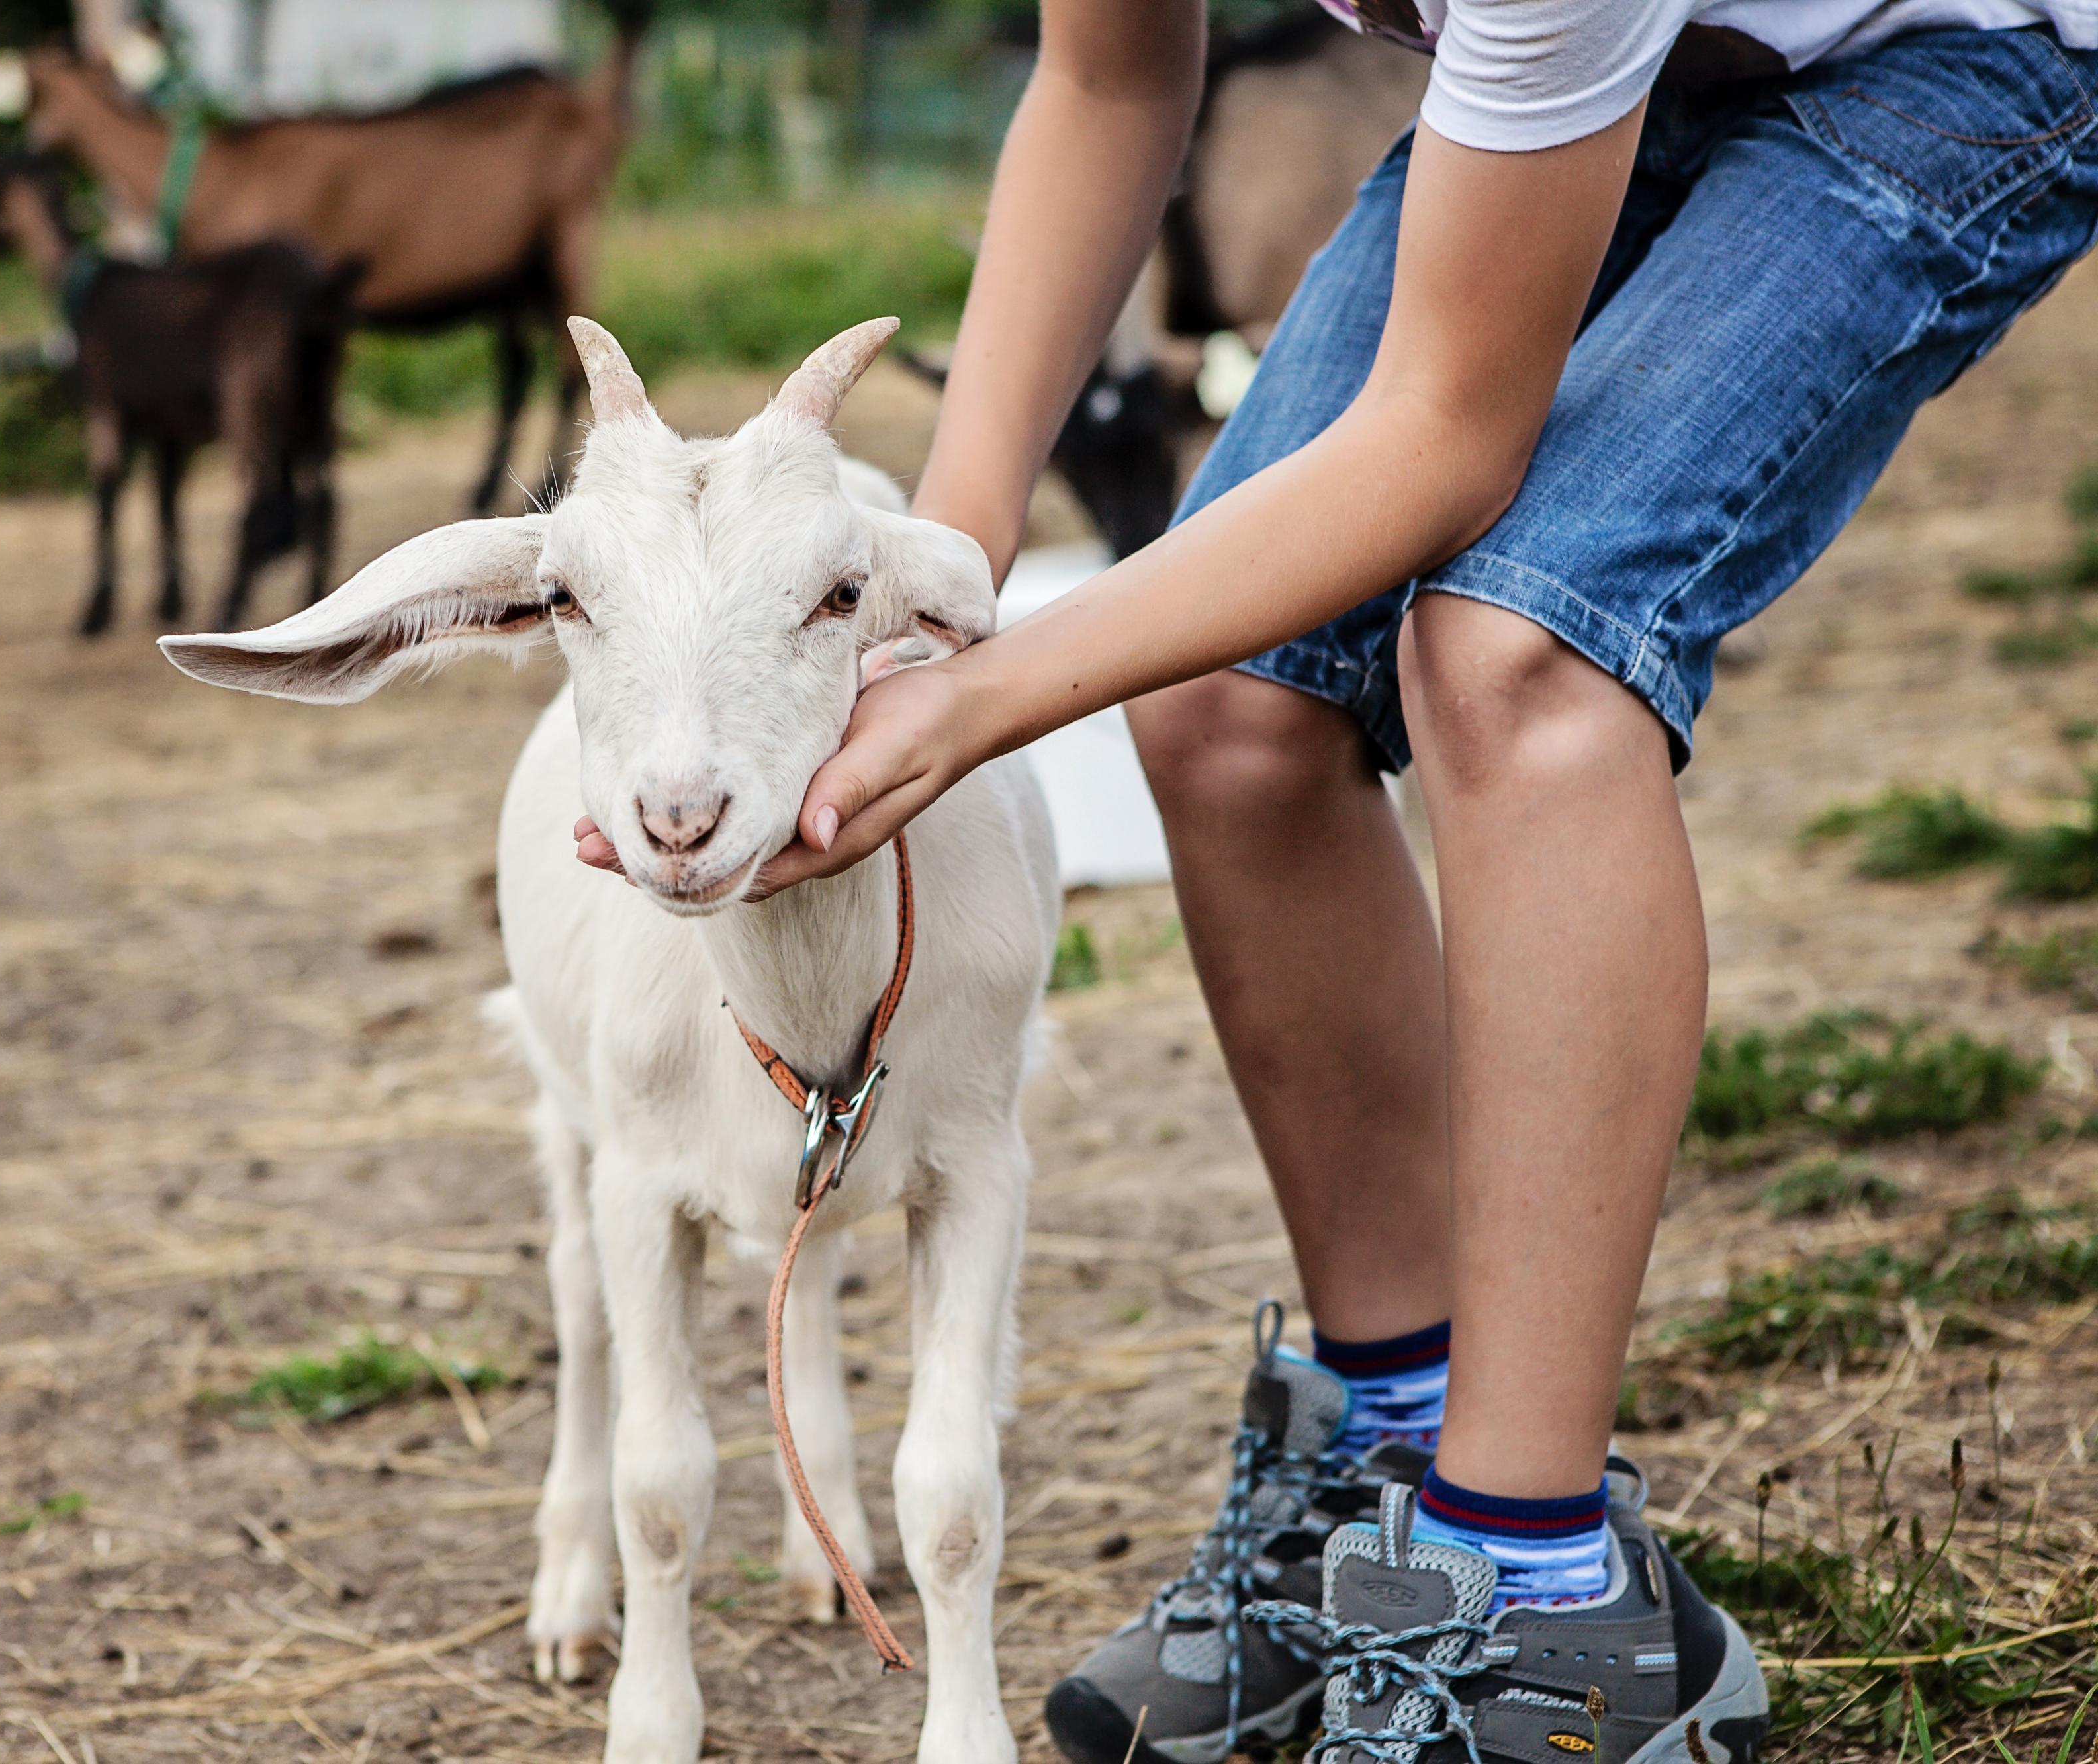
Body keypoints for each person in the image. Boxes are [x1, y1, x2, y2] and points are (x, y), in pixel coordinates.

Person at [582, 1, 2098, 1758]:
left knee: (1518, 654)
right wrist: (931, 593)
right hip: (1616, 67)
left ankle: (1542, 1583)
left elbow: (1448, 432)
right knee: (1224, 697)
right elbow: (1108, 78)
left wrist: (990, 701)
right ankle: (1397, 1458)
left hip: (1940, 56)